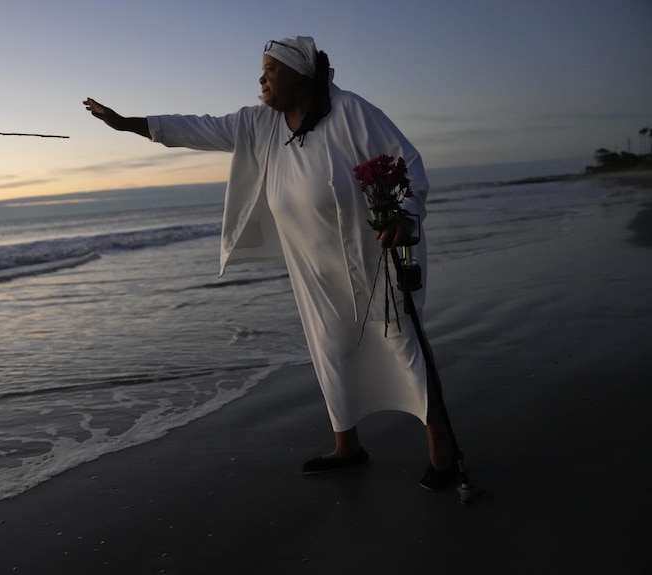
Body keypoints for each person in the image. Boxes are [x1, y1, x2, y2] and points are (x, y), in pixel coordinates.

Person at [84, 35, 456, 490]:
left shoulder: (352, 112)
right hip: (312, 267)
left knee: (404, 346)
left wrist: (405, 214)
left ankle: (443, 453)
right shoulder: (258, 125)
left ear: (301, 74)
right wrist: (128, 124)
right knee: (331, 350)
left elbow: (408, 163)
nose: (261, 79)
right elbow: (195, 128)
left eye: (271, 70)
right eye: (261, 71)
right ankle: (347, 446)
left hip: (368, 256)